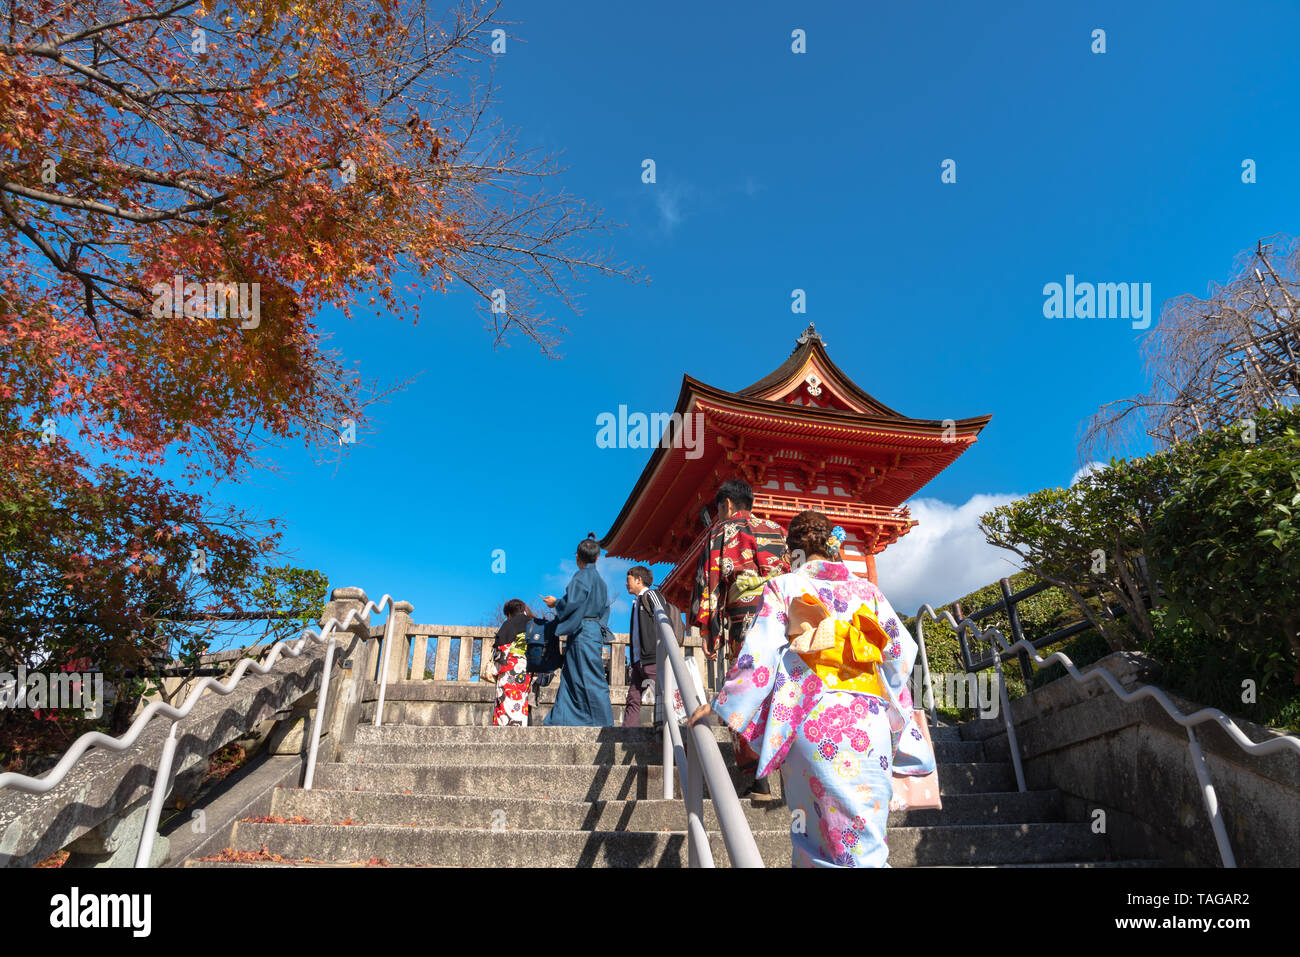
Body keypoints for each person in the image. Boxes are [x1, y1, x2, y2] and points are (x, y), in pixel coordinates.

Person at [689, 509, 935, 867]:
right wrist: (896, 715)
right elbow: (901, 655)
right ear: (832, 546)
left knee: (818, 840)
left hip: (813, 721)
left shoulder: (785, 586)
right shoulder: (868, 591)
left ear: (791, 555)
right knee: (868, 841)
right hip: (870, 723)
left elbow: (757, 659)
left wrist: (719, 703)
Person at [690, 477, 789, 799]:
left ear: (727, 505)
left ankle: (758, 779)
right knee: (781, 690)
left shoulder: (722, 532)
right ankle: (791, 773)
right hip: (780, 621)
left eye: (719, 509)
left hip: (744, 622)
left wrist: (708, 628)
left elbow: (710, 581)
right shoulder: (778, 531)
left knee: (747, 690)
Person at [541, 534, 615, 726]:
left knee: (589, 677)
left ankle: (603, 723)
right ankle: (561, 718)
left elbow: (571, 603)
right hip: (593, 630)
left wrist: (555, 603)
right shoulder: (601, 581)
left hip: (583, 631)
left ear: (577, 557)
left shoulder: (582, 577)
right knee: (573, 674)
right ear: (597, 558)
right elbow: (606, 608)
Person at [623, 566, 683, 728]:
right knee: (633, 698)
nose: (626, 584)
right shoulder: (636, 603)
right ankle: (627, 732)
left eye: (628, 580)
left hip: (653, 656)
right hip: (638, 660)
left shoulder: (651, 595)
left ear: (638, 580)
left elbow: (663, 617)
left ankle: (665, 727)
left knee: (662, 693)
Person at [491, 599, 533, 726]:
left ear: (509, 613)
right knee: (522, 700)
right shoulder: (533, 624)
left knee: (505, 699)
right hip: (527, 668)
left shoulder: (509, 624)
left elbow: (501, 649)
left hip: (510, 668)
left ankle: (504, 729)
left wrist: (496, 668)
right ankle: (521, 728)